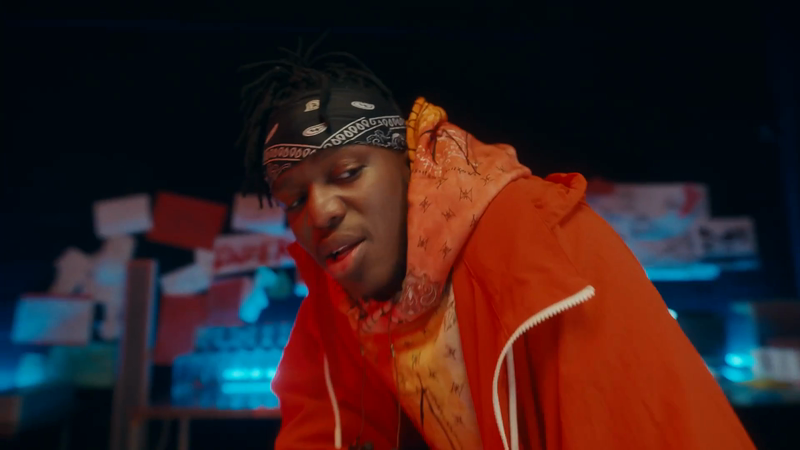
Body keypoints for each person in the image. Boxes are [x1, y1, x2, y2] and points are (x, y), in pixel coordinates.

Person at [239, 48, 755, 450]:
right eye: (293, 200)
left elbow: (627, 423)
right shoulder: (336, 310)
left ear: (408, 164)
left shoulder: (535, 237)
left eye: (349, 173)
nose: (320, 211)